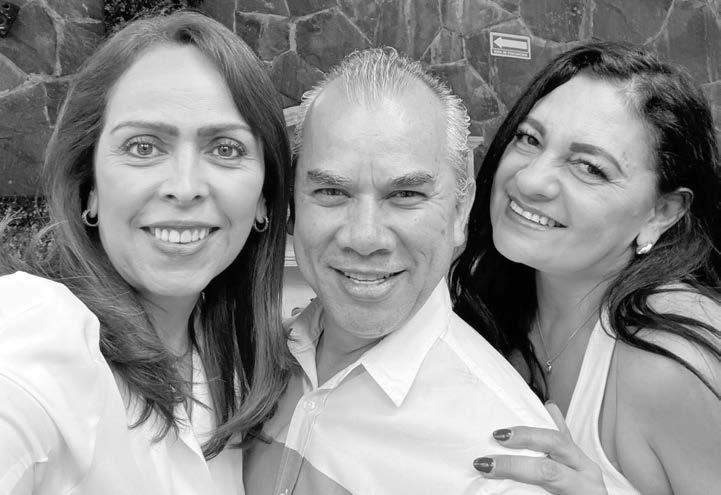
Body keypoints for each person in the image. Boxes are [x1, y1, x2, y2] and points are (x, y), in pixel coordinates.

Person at [0, 11, 293, 494]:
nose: (185, 186)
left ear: (265, 197)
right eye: (142, 147)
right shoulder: (41, 330)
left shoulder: (237, 362)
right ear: (89, 186)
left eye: (225, 149)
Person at [243, 47, 557, 494]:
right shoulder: (247, 359)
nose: (364, 237)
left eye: (406, 195)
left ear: (460, 211)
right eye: (331, 191)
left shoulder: (503, 463)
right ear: (293, 204)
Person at [451, 41, 721, 495]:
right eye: (529, 138)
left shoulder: (672, 362)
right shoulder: (486, 294)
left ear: (661, 212)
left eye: (590, 168)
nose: (530, 180)